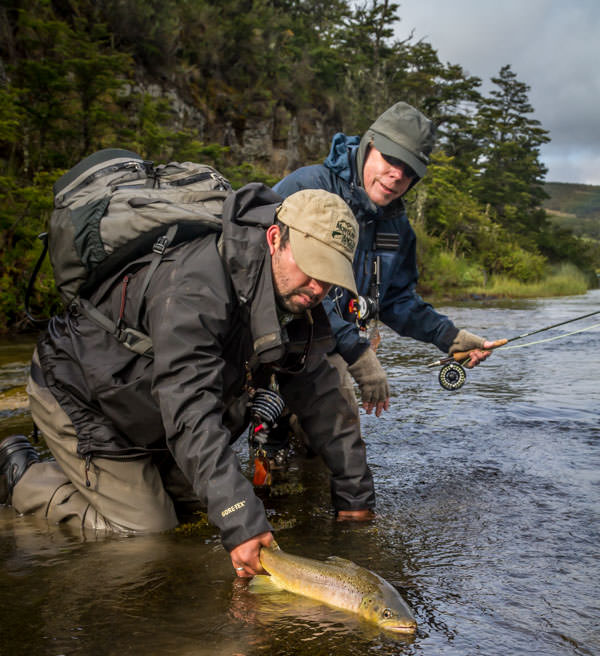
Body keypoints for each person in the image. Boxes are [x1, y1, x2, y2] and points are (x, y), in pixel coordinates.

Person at [0, 186, 376, 576]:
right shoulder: (195, 282)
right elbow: (189, 410)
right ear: (275, 238)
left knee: (197, 508)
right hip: (82, 393)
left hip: (147, 404)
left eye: (330, 278)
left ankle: (133, 480)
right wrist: (241, 521)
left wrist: (355, 496)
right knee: (149, 532)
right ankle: (20, 475)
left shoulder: (297, 298)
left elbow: (320, 393)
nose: (318, 288)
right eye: (311, 268)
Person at [274, 101, 498, 418]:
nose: (397, 176)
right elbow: (286, 282)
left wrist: (449, 337)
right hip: (275, 336)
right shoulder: (307, 187)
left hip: (328, 347)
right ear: (369, 146)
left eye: (409, 172)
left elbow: (395, 299)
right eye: (391, 160)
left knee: (332, 443)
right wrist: (357, 352)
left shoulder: (398, 228)